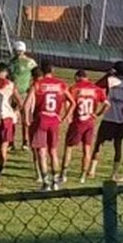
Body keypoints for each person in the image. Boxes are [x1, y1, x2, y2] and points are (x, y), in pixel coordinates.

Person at [25, 61, 75, 191]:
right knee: (53, 151)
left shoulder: (37, 84)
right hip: (54, 119)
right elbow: (72, 102)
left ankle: (45, 183)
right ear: (52, 71)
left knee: (41, 152)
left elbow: (26, 105)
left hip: (41, 118)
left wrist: (27, 119)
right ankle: (55, 182)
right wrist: (64, 117)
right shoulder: (61, 85)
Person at [89, 62, 123, 181]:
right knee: (118, 146)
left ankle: (92, 170)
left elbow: (96, 86)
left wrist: (107, 74)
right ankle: (114, 173)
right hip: (122, 119)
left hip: (109, 118)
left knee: (99, 143)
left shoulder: (110, 80)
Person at [61, 70, 108, 184]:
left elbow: (68, 103)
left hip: (78, 121)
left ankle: (64, 174)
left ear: (77, 77)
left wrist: (68, 115)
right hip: (90, 122)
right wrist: (97, 114)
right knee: (87, 149)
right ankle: (82, 176)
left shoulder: (74, 88)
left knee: (69, 147)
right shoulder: (96, 89)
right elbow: (107, 104)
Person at [0, 62, 23, 184]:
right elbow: (20, 102)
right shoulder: (11, 85)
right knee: (3, 147)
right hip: (7, 117)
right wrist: (16, 111)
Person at [9, 41, 37, 150]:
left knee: (23, 118)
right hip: (15, 92)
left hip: (22, 93)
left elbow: (36, 75)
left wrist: (32, 87)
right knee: (16, 118)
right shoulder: (13, 62)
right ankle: (14, 142)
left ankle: (23, 142)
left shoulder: (29, 62)